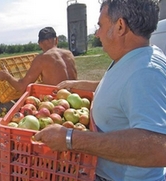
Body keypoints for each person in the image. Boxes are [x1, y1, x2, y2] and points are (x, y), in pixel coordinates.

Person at [34, 0, 166, 180]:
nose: (97, 33)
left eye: (101, 25)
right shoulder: (134, 57)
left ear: (120, 26)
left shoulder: (146, 72)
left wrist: (70, 139)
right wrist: (78, 84)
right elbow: (122, 89)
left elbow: (158, 148)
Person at [0, 27, 77, 93]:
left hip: (58, 101)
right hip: (77, 97)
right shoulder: (69, 54)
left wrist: (7, 76)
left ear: (40, 43)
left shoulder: (42, 59)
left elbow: (21, 87)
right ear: (56, 39)